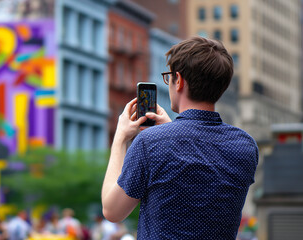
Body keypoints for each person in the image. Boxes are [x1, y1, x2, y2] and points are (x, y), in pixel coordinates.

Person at [101, 36, 259, 239]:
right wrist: (171, 130)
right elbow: (201, 168)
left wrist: (120, 138)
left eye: (169, 78)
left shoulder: (150, 143)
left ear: (179, 81)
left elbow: (112, 211)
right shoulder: (245, 146)